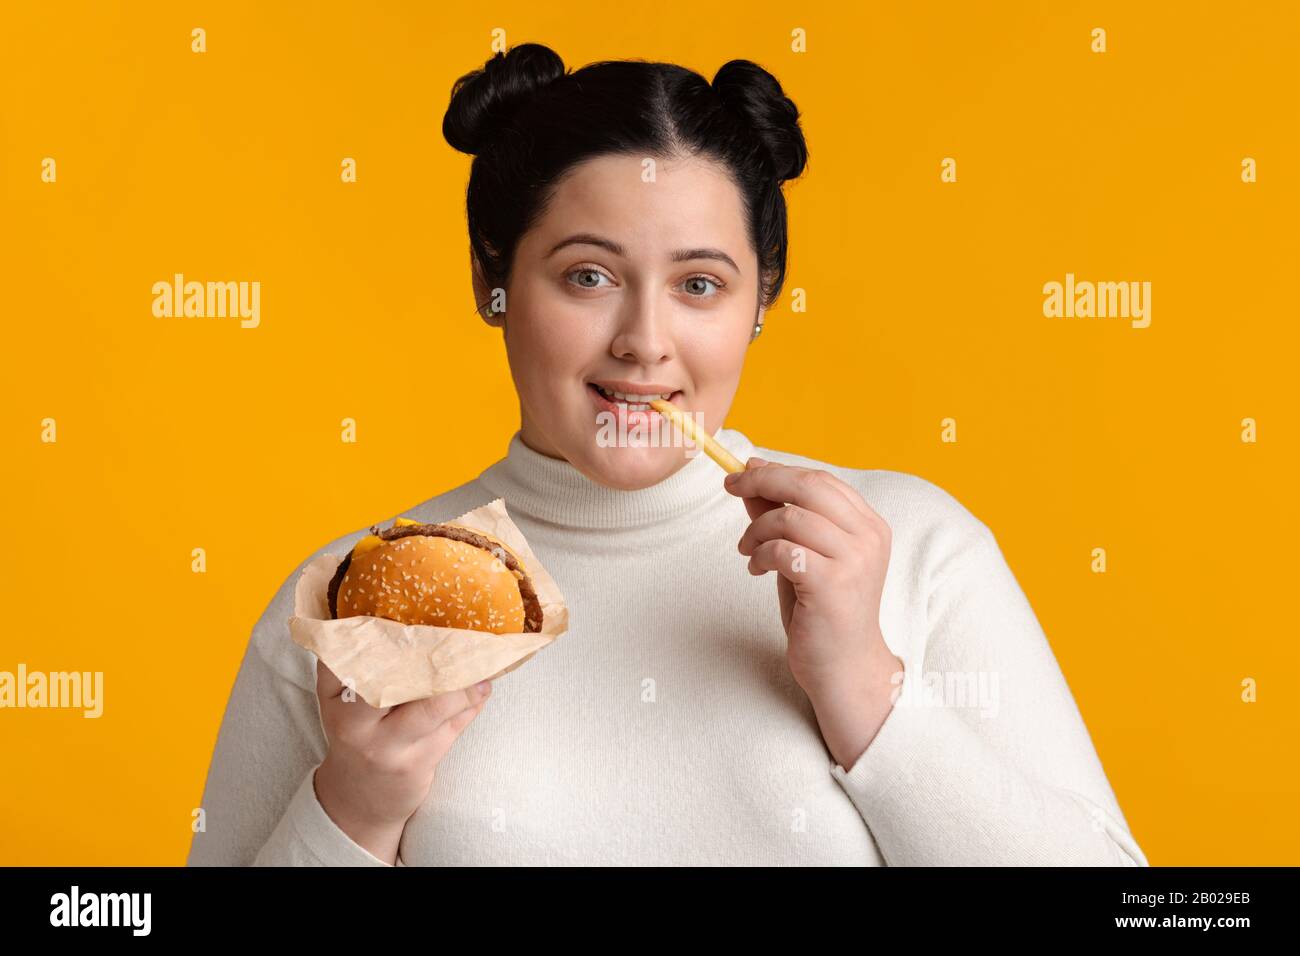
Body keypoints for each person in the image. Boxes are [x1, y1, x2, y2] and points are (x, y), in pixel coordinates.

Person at [187, 43, 1147, 867]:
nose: (645, 341)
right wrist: (350, 810)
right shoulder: (362, 597)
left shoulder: (910, 548)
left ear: (761, 300)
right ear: (493, 277)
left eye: (699, 283)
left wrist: (866, 686)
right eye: (589, 276)